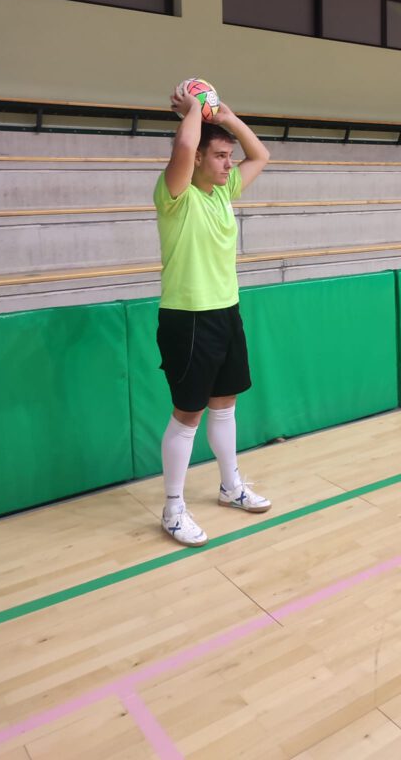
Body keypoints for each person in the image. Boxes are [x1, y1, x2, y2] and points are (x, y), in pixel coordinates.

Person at [153, 85, 271, 546]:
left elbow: (261, 154)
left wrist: (226, 115)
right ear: (199, 159)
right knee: (188, 415)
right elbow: (184, 146)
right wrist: (193, 113)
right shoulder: (175, 195)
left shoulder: (224, 192)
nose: (228, 163)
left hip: (226, 312)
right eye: (220, 156)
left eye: (228, 156)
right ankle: (173, 508)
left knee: (226, 405)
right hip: (188, 318)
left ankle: (230, 486)